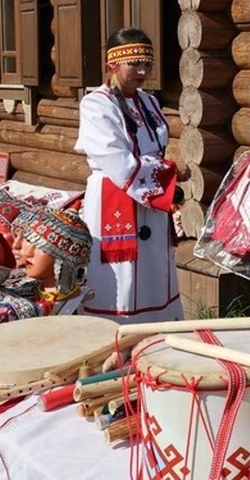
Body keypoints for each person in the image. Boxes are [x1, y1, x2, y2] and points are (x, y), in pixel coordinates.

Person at [74, 27, 190, 324]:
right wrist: (170, 172)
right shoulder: (96, 104)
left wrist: (166, 176)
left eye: (147, 64)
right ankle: (117, 334)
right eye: (134, 64)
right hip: (115, 198)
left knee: (153, 268)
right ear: (113, 64)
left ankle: (157, 334)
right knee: (121, 275)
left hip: (151, 202)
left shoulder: (149, 102)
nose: (142, 71)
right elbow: (118, 163)